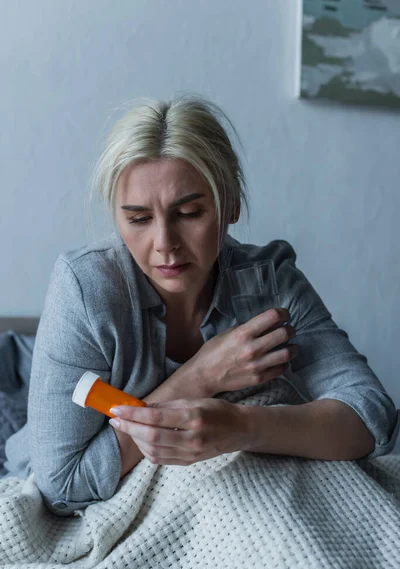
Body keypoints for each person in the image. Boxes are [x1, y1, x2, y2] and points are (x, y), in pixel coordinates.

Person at [4, 94, 399, 517]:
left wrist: (240, 427)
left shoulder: (269, 281)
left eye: (189, 213)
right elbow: (60, 485)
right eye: (138, 219)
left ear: (230, 205)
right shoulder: (86, 287)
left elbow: (372, 418)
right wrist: (200, 376)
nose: (164, 244)